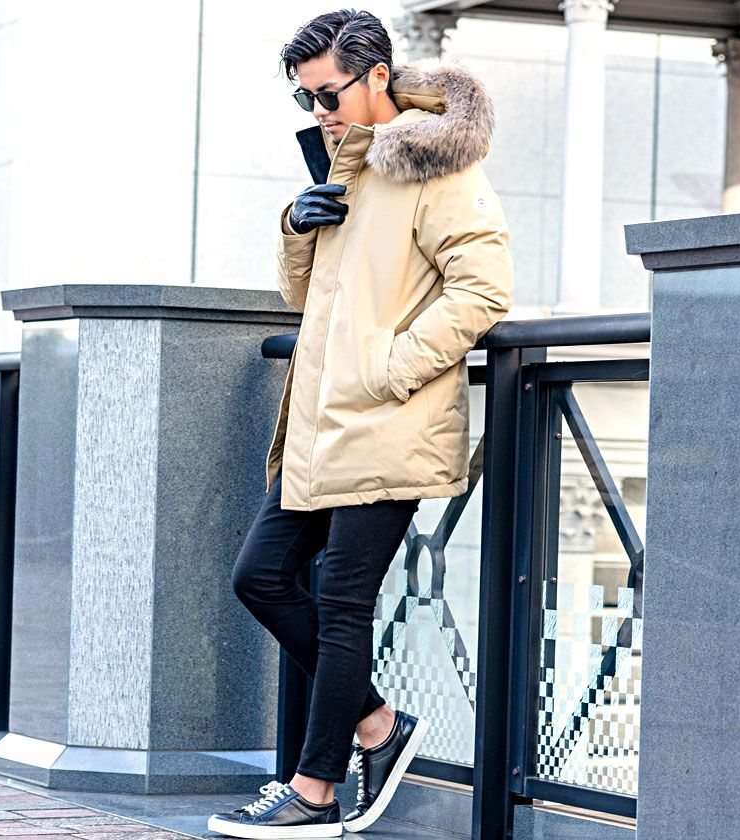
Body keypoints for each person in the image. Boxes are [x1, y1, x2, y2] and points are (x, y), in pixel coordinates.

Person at [207, 7, 514, 839]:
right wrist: (296, 226)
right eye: (306, 98)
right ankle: (378, 724)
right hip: (321, 424)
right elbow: (303, 297)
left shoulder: (437, 167)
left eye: (328, 94)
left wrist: (391, 368)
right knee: (260, 576)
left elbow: (484, 288)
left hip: (388, 422)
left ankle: (314, 793)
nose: (319, 112)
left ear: (378, 75)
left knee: (342, 604)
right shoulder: (347, 165)